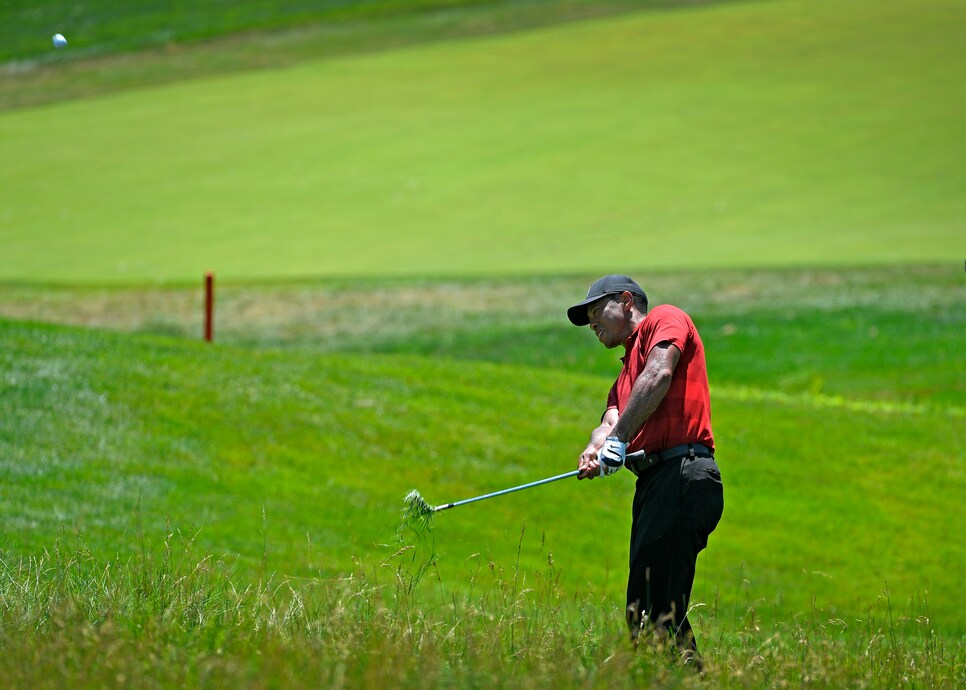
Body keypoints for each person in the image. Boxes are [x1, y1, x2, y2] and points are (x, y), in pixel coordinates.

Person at [567, 274, 724, 661]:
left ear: (625, 301)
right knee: (642, 611)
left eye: (594, 311)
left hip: (684, 473)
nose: (591, 324)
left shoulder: (665, 319)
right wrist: (594, 449)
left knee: (659, 613)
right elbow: (608, 424)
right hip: (657, 486)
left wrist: (619, 440)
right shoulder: (622, 378)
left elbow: (658, 375)